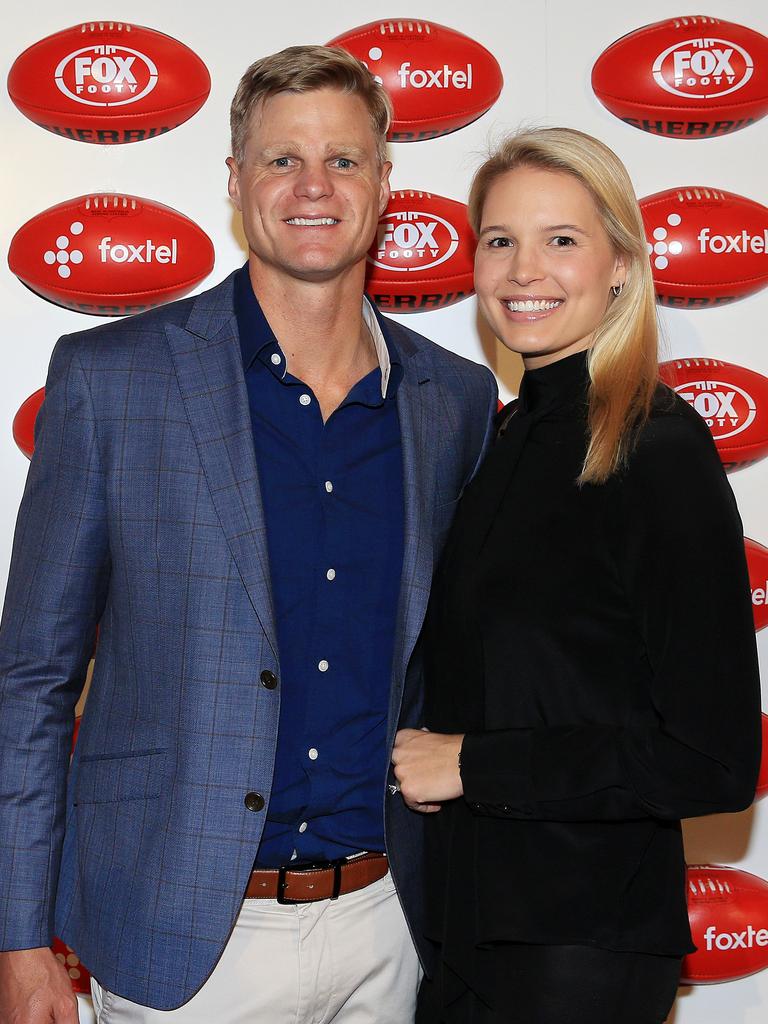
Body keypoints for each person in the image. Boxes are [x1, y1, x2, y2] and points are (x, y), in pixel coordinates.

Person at [0, 46, 497, 1024]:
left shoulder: (456, 400)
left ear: (385, 182)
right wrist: (18, 938)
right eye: (281, 160)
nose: (314, 187)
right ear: (235, 181)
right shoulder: (114, 380)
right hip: (182, 939)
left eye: (344, 161)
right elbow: (32, 679)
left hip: (390, 926)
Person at [391, 127, 762, 1024]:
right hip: (462, 931)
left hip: (579, 949)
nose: (526, 271)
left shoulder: (656, 446)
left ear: (623, 265)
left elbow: (713, 760)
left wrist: (477, 765)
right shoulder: (505, 435)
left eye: (562, 240)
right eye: (501, 240)